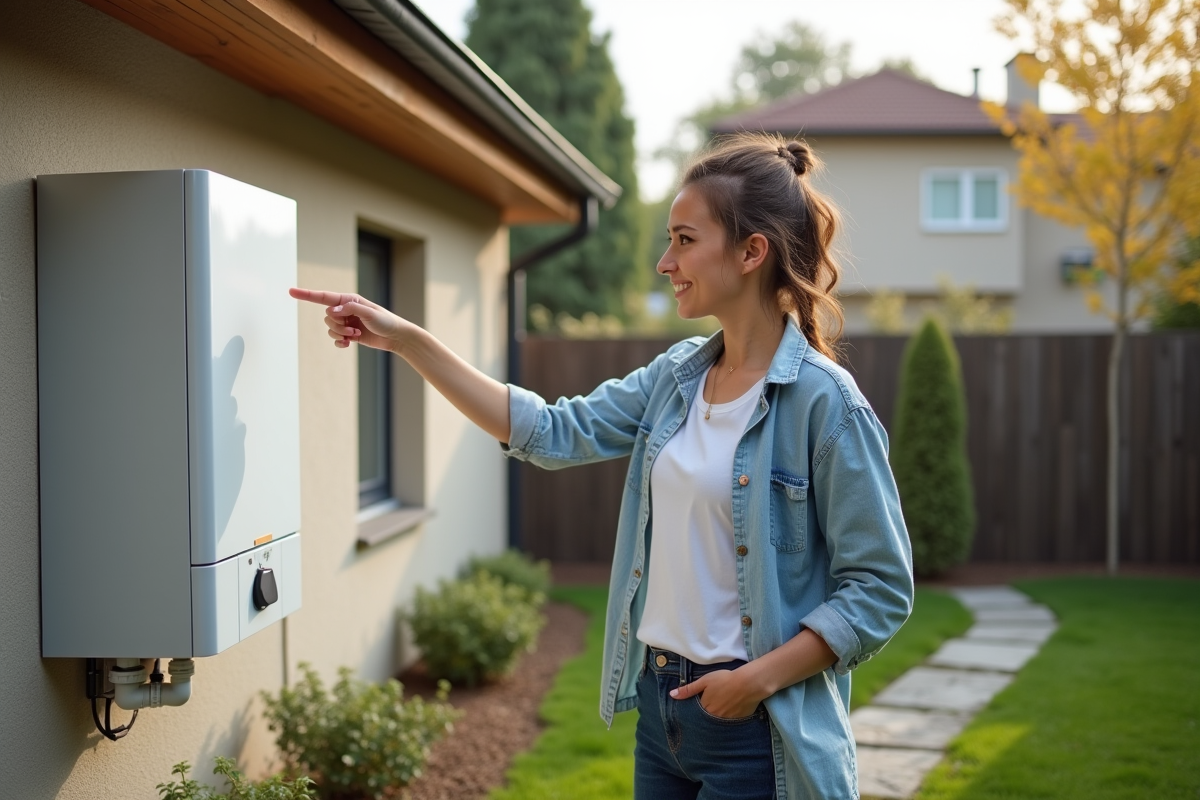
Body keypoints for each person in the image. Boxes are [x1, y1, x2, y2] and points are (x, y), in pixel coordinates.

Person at [291, 132, 913, 800]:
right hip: (662, 706)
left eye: (683, 239)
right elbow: (552, 431)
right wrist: (409, 341)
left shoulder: (824, 404)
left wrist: (753, 682)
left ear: (751, 251)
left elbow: (880, 586)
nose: (663, 262)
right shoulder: (677, 378)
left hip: (755, 724)